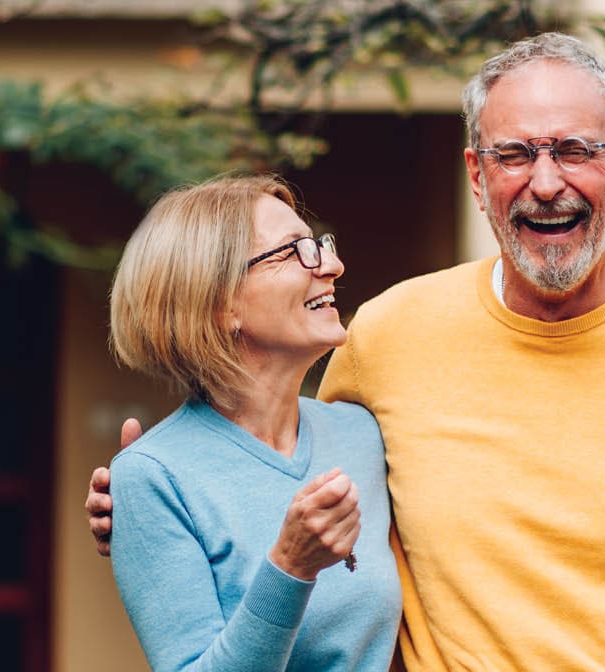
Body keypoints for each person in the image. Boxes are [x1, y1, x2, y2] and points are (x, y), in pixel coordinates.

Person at [90, 33, 605, 671]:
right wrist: (153, 506)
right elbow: (279, 477)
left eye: (576, 150)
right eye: (515, 154)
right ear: (477, 175)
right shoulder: (386, 336)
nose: (545, 181)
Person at [98, 174, 401, 672]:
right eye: (293, 251)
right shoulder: (152, 476)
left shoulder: (363, 434)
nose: (332, 265)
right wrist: (290, 566)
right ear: (220, 304)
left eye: (320, 245)